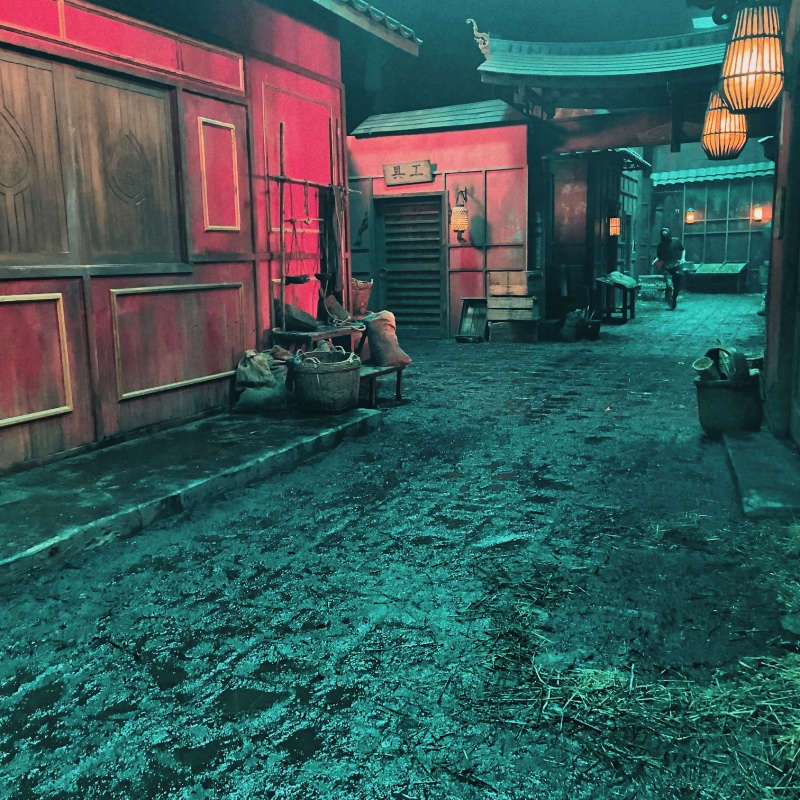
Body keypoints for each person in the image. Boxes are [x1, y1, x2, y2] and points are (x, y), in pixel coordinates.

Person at [654, 227, 686, 310]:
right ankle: (670, 303)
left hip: (676, 266)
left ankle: (673, 300)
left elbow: (683, 249)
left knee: (676, 287)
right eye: (663, 234)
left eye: (666, 234)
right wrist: (656, 261)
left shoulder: (676, 241)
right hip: (666, 267)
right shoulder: (660, 246)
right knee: (669, 285)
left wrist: (683, 259)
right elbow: (659, 256)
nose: (664, 235)